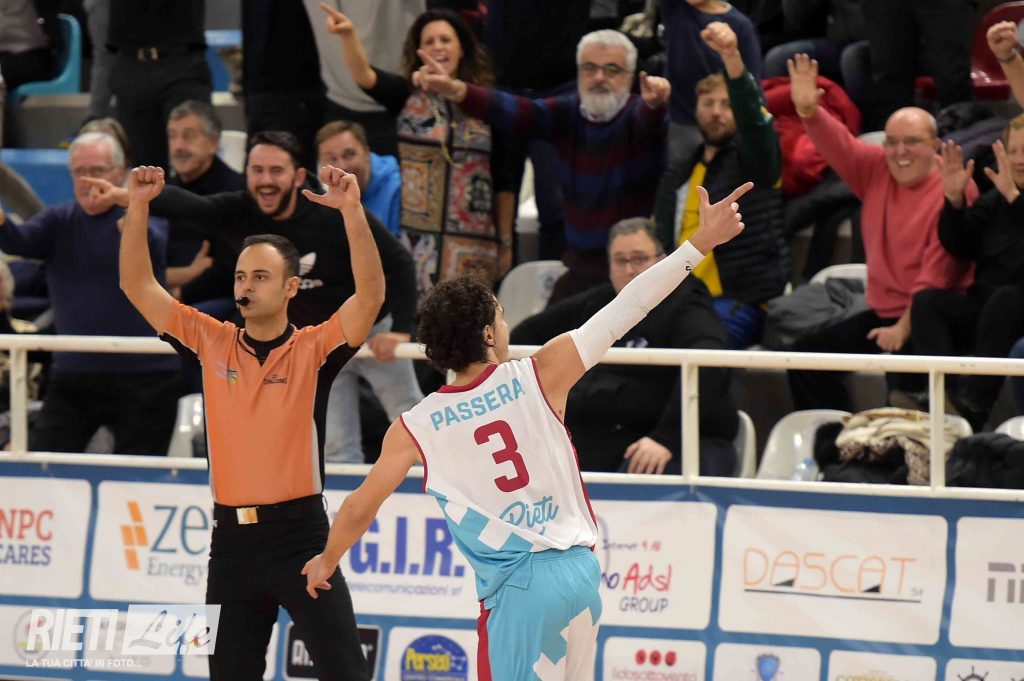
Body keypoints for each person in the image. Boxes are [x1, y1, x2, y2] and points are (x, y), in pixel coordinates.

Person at [301, 181, 753, 679]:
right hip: (580, 575)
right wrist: (699, 243)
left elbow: (359, 506)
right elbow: (630, 306)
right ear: (487, 333)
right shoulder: (543, 371)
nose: (506, 326)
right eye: (500, 317)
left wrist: (327, 560)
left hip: (520, 590)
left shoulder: (415, 426)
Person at [118, 163, 381, 680]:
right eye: (241, 276)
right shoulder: (209, 339)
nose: (246, 286)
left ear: (291, 287)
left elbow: (370, 297)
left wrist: (352, 211)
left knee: (347, 673)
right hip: (231, 547)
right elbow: (136, 284)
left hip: (302, 540)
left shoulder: (314, 350)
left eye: (261, 277)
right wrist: (139, 205)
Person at [415, 28, 672, 302]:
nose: (599, 77)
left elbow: (649, 121)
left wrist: (655, 105)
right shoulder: (568, 113)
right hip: (579, 270)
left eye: (612, 69)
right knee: (531, 328)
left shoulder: (637, 114)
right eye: (589, 68)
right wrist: (457, 89)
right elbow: (516, 110)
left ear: (630, 77)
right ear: (578, 73)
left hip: (633, 273)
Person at [784, 54, 975, 412]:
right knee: (807, 360)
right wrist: (810, 111)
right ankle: (841, 437)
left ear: (935, 145)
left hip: (930, 318)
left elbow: (940, 272)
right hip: (882, 311)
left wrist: (902, 327)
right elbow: (842, 146)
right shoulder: (878, 168)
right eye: (891, 141)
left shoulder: (952, 185)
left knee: (903, 400)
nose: (900, 152)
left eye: (912, 141)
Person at [511, 217, 739, 476]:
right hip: (603, 433)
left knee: (644, 467)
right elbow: (526, 333)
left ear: (663, 260)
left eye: (639, 259)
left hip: (676, 440)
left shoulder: (687, 301)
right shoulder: (601, 300)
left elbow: (710, 363)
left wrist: (665, 438)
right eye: (620, 261)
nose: (630, 269)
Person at [0, 132, 180, 454]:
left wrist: (132, 214)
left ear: (119, 171)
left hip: (147, 374)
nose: (87, 181)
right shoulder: (58, 220)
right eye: (79, 172)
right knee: (46, 467)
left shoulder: (146, 213)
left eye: (96, 170)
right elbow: (18, 241)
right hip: (74, 374)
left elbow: (155, 243)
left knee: (140, 476)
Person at [322, 4, 513, 293]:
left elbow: (505, 180)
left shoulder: (485, 103)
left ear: (462, 48)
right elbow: (365, 77)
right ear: (419, 51)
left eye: (445, 40)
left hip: (474, 242)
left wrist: (506, 242)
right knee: (423, 320)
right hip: (420, 246)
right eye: (429, 41)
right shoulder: (407, 96)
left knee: (472, 317)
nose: (438, 47)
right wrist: (348, 35)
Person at [653, 21, 787, 348]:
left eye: (727, 104)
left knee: (694, 351)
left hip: (738, 301)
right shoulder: (679, 173)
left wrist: (732, 60)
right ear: (695, 110)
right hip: (680, 298)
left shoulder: (755, 162)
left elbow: (756, 124)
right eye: (708, 104)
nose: (717, 112)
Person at [901, 125, 1024, 430]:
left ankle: (974, 405)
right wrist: (954, 202)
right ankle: (940, 396)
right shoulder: (994, 200)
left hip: (1017, 311)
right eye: (1013, 151)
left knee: (1007, 298)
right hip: (987, 310)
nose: (1019, 160)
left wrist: (1014, 198)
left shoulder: (1007, 195)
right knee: (928, 303)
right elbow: (959, 245)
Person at [164, 99, 244, 319]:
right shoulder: (163, 191)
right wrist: (186, 274)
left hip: (216, 302)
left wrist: (178, 294)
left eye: (188, 136)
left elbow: (230, 269)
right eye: (172, 136)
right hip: (165, 297)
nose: (178, 146)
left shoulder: (236, 192)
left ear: (213, 143)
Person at [316, 120, 400, 236]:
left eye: (349, 154)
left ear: (367, 154)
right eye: (332, 159)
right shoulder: (320, 195)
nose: (342, 167)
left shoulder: (399, 189)